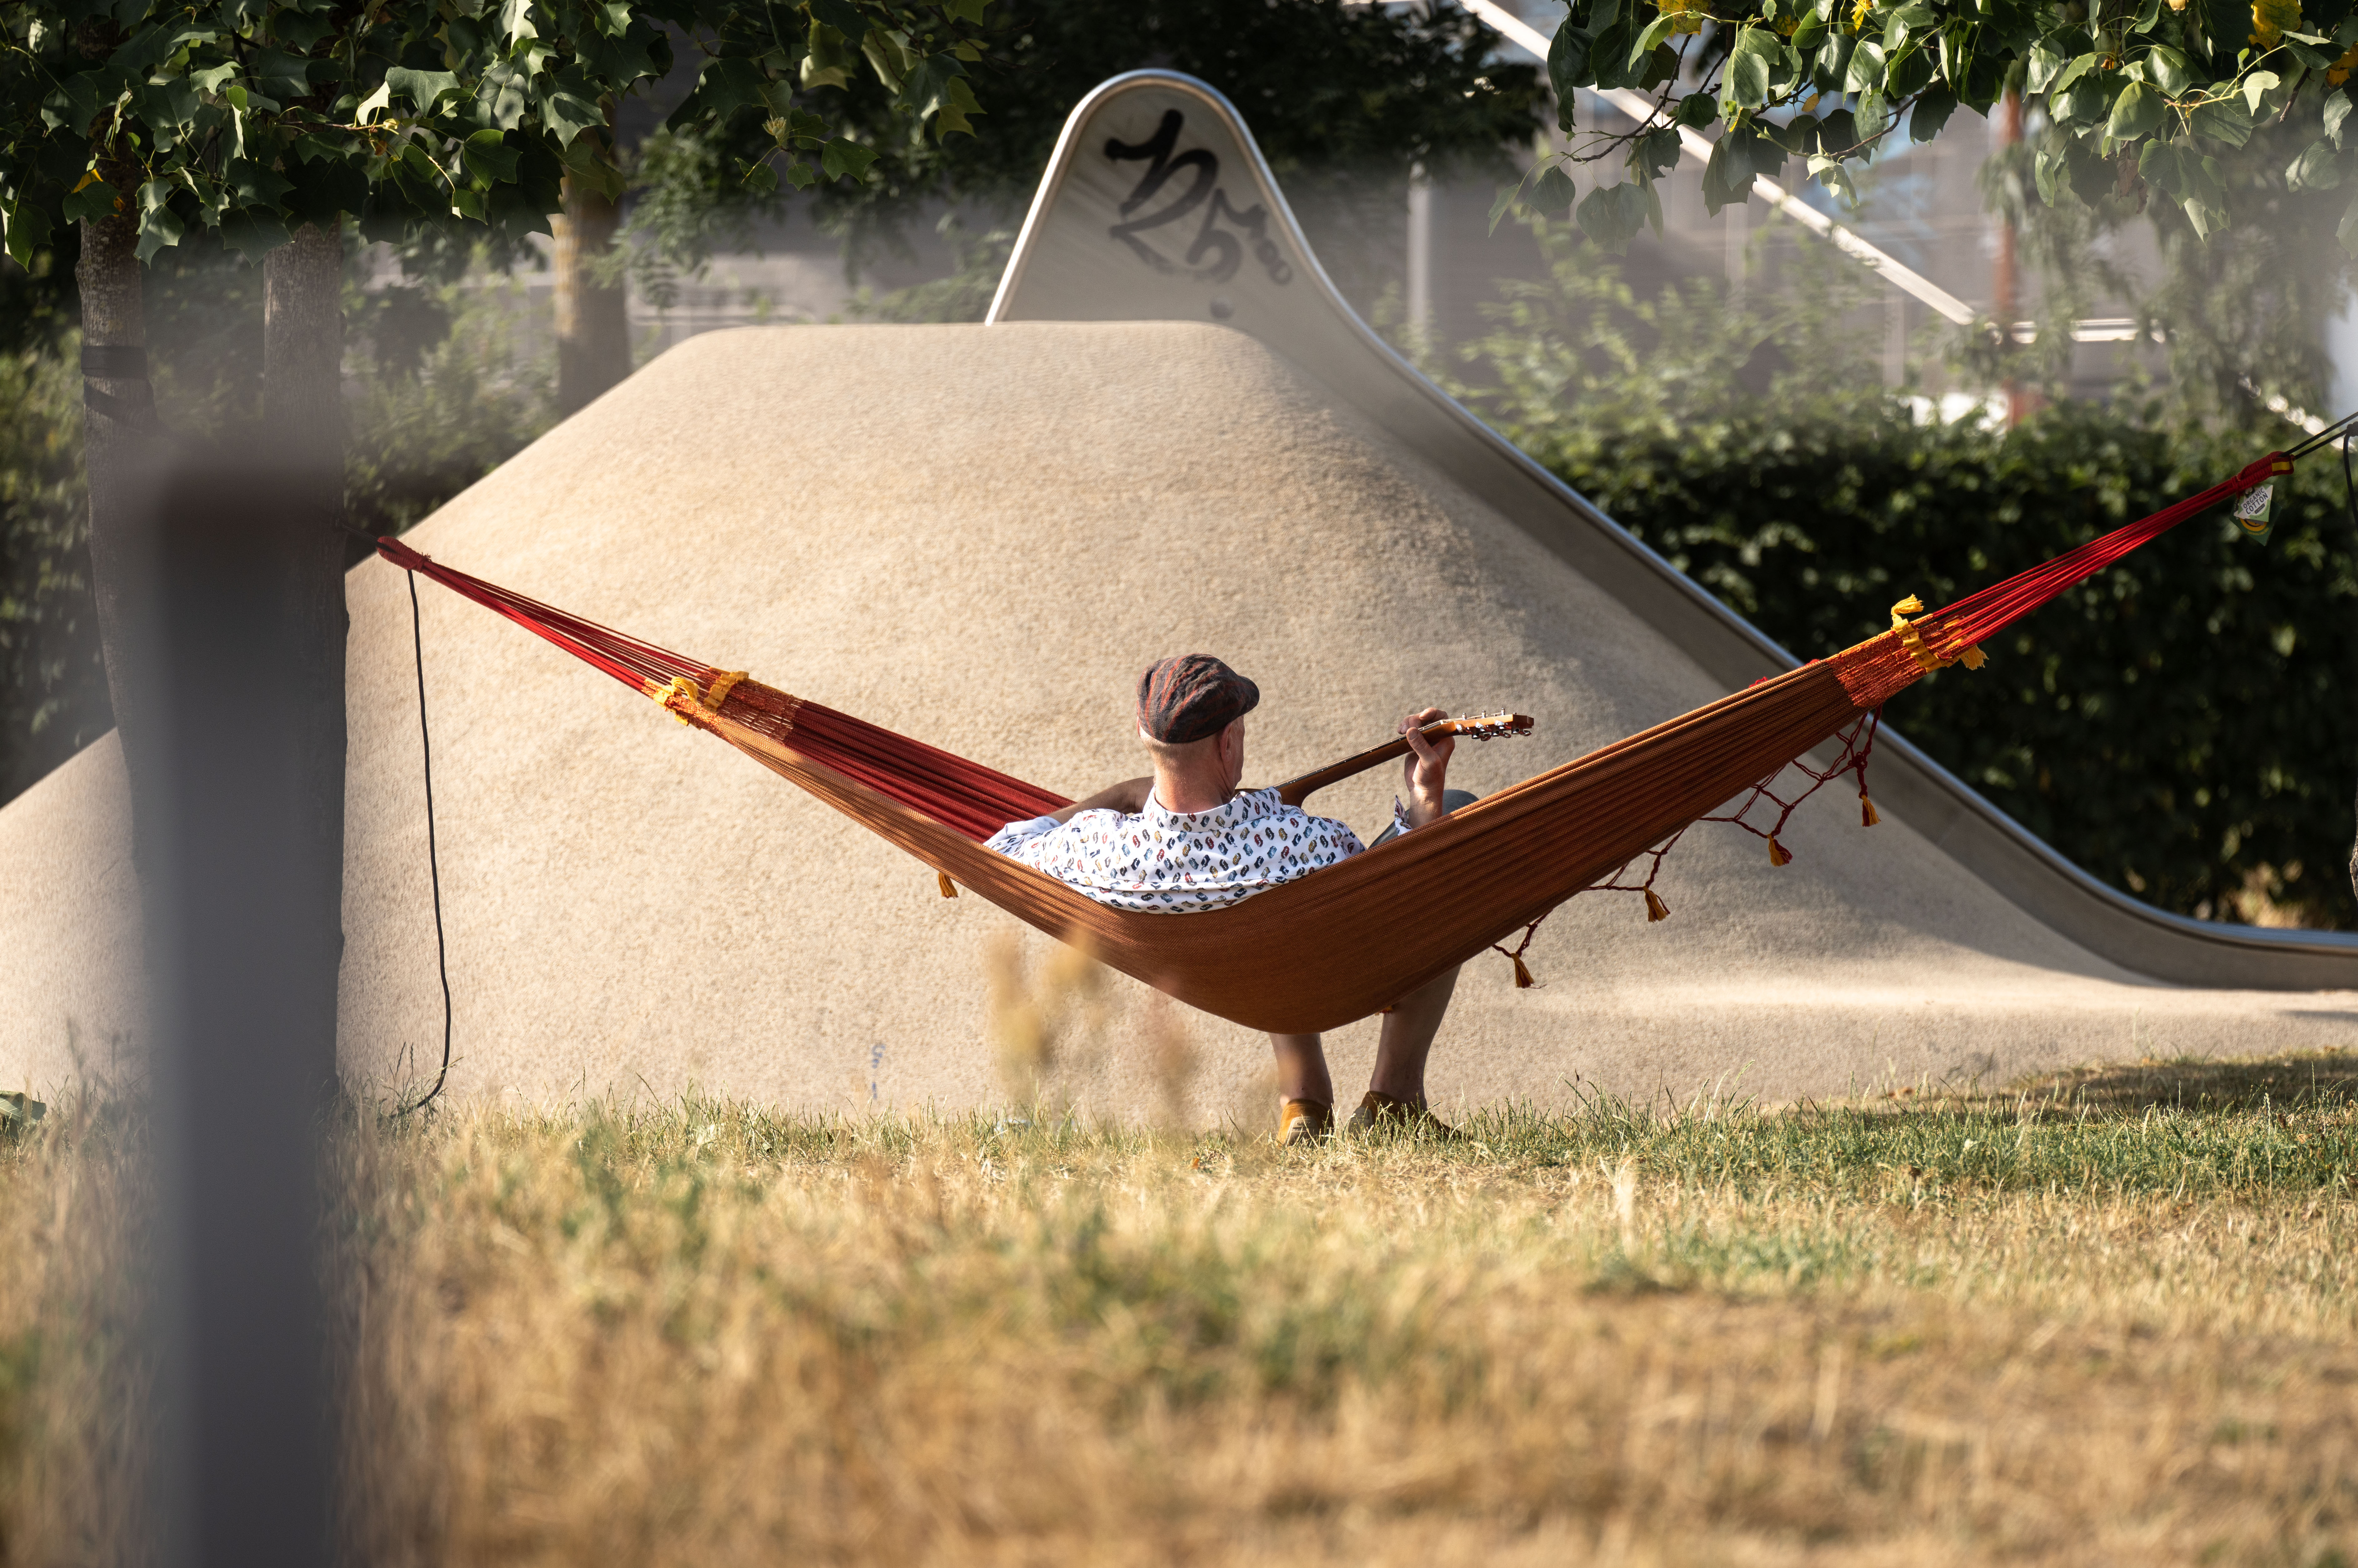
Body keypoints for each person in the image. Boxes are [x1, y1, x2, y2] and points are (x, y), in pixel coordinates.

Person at [983, 653, 1469, 1144]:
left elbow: (1004, 846)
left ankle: (1304, 1100)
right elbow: (1404, 897)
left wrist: (1126, 796)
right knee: (1457, 822)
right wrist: (1424, 798)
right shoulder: (1300, 841)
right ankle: (1394, 1100)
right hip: (1339, 973)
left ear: (1143, 736)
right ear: (1229, 741)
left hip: (1227, 979)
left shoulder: (1096, 849)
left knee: (1269, 927)